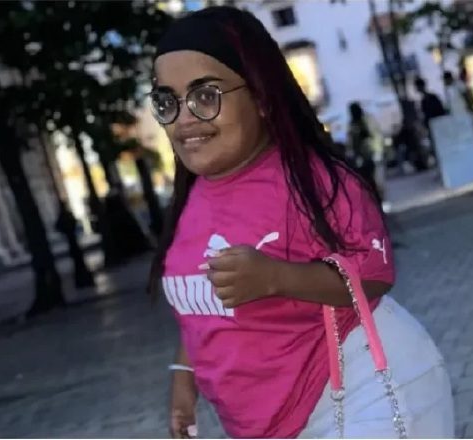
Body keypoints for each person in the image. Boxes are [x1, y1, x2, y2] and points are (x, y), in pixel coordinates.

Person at [147, 6, 453, 439]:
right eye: (167, 102)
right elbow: (204, 305)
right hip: (277, 423)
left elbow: (375, 273)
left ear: (260, 96)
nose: (184, 118)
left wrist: (277, 277)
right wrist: (184, 377)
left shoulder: (312, 180)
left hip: (361, 392)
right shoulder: (191, 201)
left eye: (205, 96)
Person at [346, 102, 385, 203]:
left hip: (372, 152)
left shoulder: (368, 120)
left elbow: (376, 135)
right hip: (363, 156)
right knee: (368, 179)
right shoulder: (353, 124)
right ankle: (376, 200)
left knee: (377, 179)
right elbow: (352, 141)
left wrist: (378, 151)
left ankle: (381, 198)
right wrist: (353, 155)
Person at [414, 76, 447, 154]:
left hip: (437, 126)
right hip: (434, 127)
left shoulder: (430, 98)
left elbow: (440, 111)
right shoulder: (425, 101)